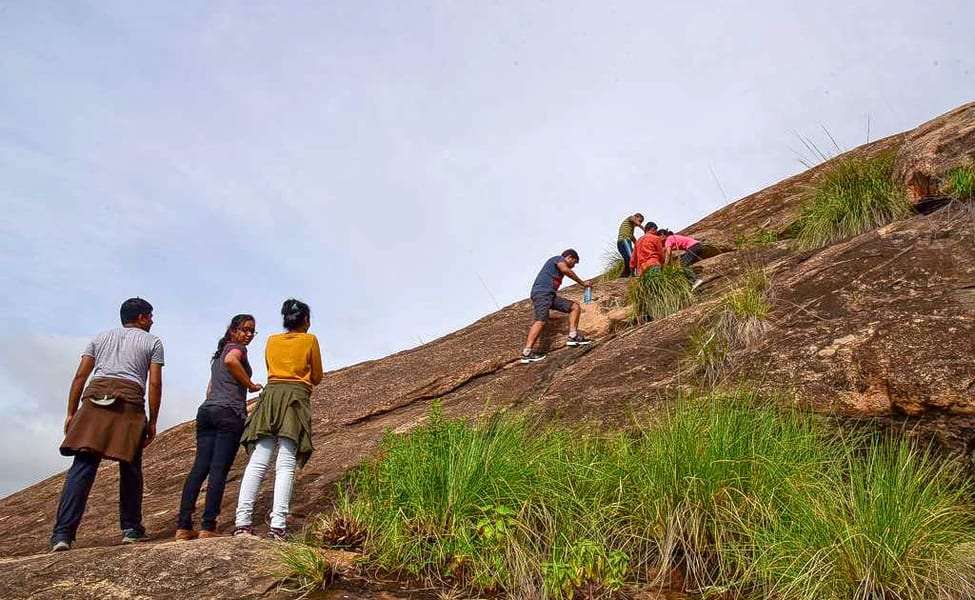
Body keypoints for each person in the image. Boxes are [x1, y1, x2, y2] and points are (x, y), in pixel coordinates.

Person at [50, 298, 164, 552]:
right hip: (129, 401)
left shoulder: (99, 338)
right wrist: (153, 420)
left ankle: (62, 534)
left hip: (95, 398)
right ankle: (131, 528)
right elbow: (154, 383)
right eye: (151, 316)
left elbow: (81, 375)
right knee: (131, 465)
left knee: (84, 464)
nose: (153, 321)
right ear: (143, 318)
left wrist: (71, 413)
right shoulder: (152, 341)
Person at [233, 299, 323, 540]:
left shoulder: (272, 340)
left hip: (271, 396)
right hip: (295, 398)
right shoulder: (310, 340)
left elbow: (270, 366)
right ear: (305, 320)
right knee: (285, 464)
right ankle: (278, 526)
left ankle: (242, 522)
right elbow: (316, 376)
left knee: (258, 460)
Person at [175, 314, 262, 541]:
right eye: (245, 329)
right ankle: (208, 526)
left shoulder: (217, 354)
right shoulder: (236, 350)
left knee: (199, 468)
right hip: (228, 414)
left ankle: (183, 526)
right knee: (218, 471)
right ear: (233, 331)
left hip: (207, 412)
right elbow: (232, 361)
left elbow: (210, 388)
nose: (249, 335)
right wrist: (250, 385)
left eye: (252, 331)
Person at [521, 249, 592, 364]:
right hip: (542, 293)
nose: (573, 267)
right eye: (574, 263)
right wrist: (582, 283)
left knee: (574, 307)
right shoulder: (558, 259)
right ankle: (527, 353)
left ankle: (573, 336)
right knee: (541, 320)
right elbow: (565, 270)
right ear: (569, 257)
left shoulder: (559, 263)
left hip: (550, 295)